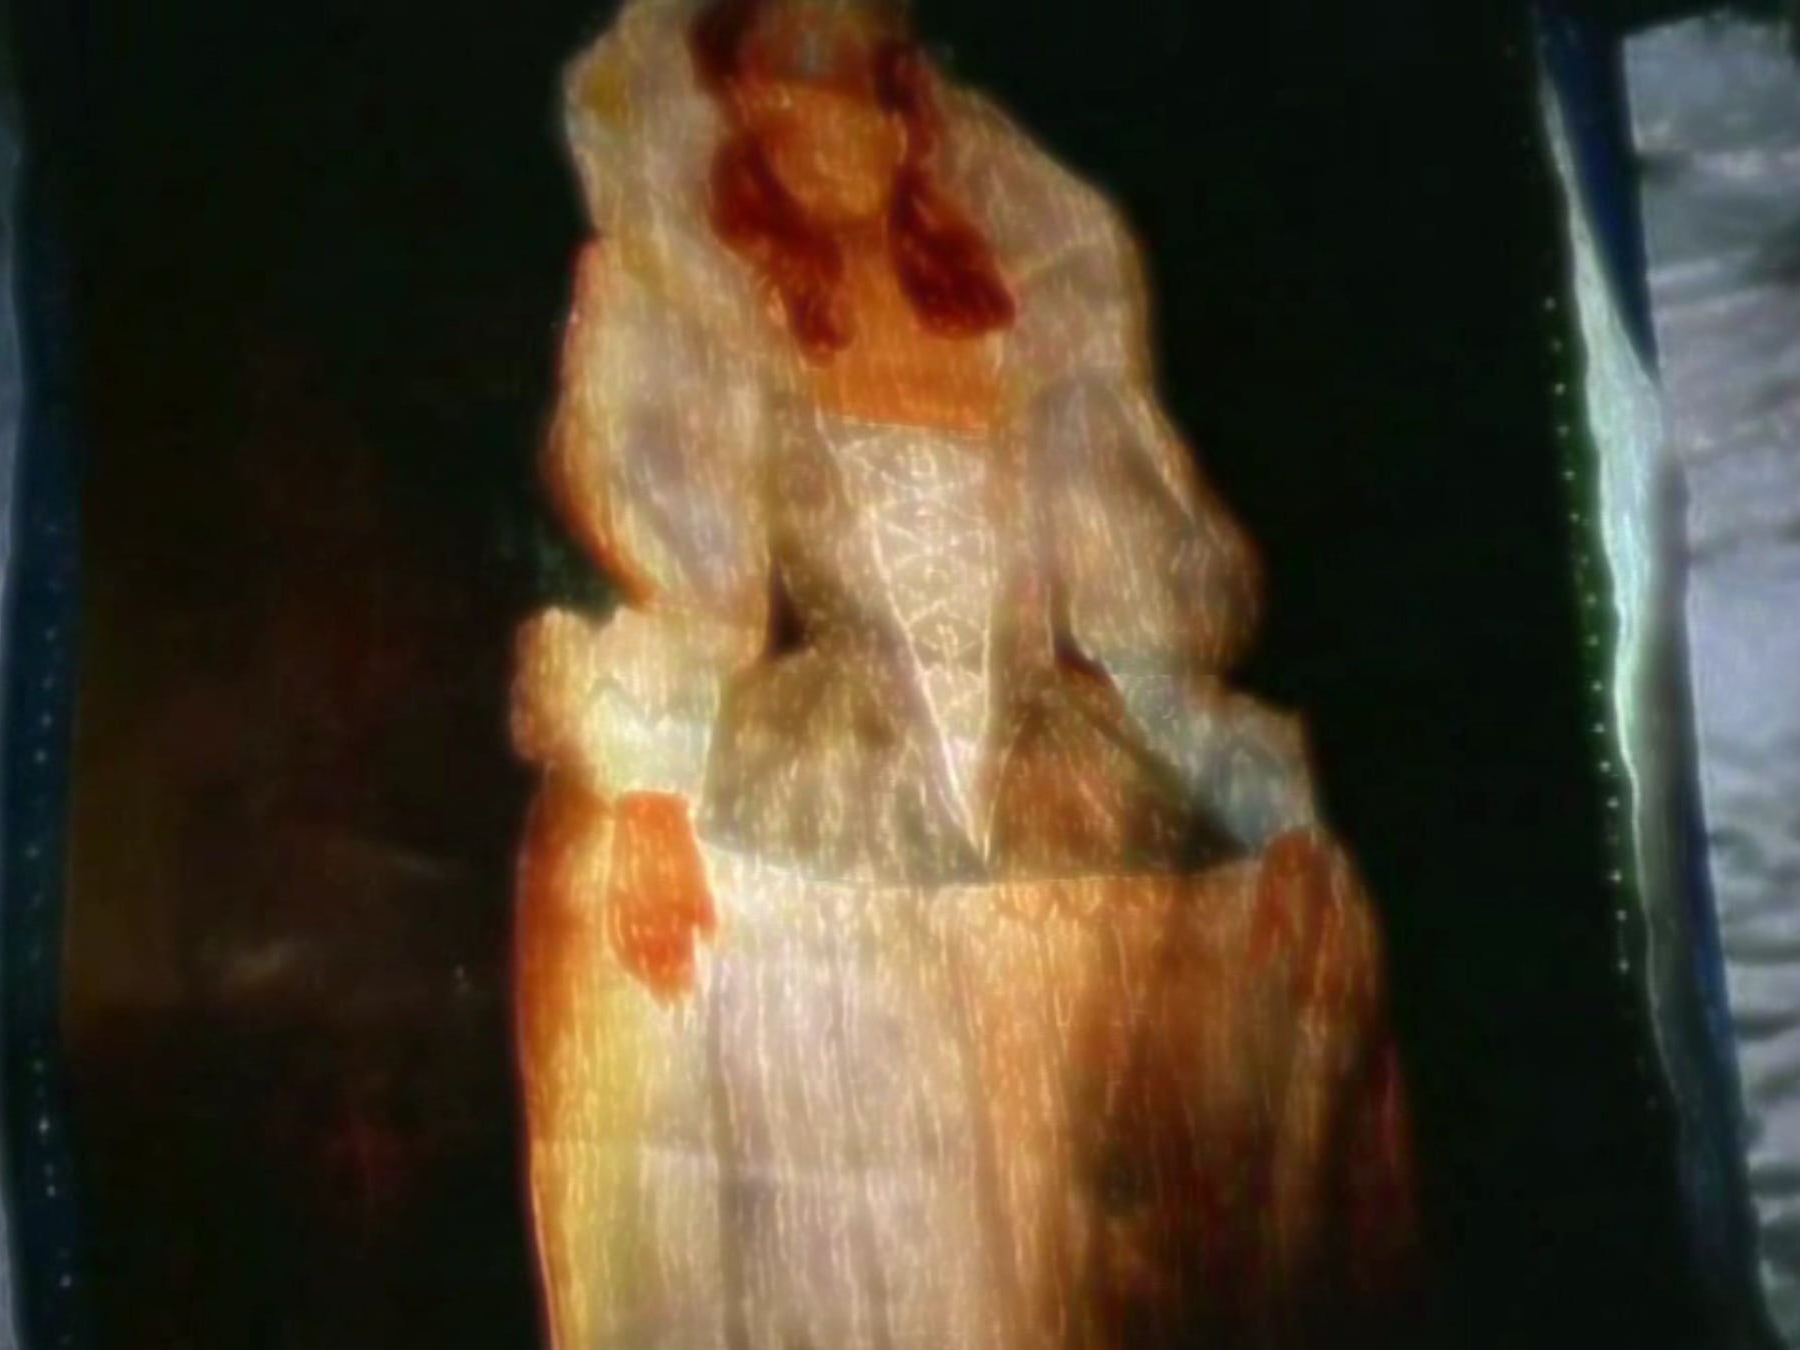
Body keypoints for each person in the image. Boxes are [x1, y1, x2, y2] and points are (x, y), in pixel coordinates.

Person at [513, 1, 1415, 1344]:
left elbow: (1138, 625)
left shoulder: (1031, 317)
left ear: (909, 113)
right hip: (834, 789)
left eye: (849, 85)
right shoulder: (736, 324)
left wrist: (1269, 808)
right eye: (780, 92)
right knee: (836, 1140)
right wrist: (647, 787)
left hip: (1051, 805)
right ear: (742, 118)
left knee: (1194, 1046)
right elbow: (691, 589)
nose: (820, 124)